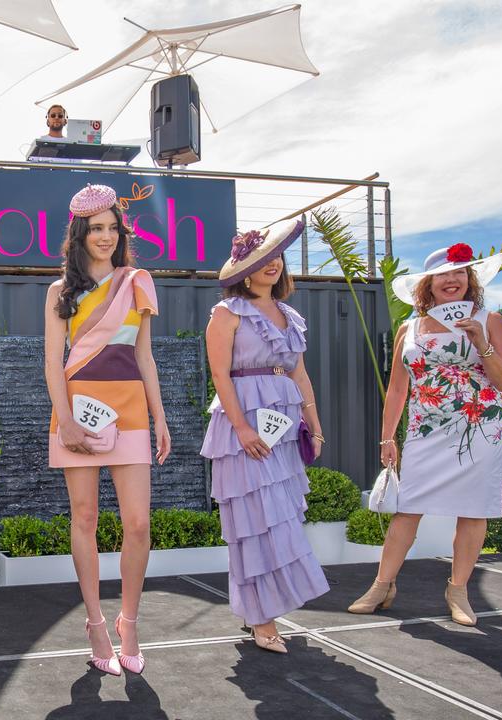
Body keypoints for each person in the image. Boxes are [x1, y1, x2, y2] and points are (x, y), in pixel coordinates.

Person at [349, 244, 502, 626]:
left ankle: (458, 591)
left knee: (473, 512)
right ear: (428, 283)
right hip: (425, 429)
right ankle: (382, 584)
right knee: (407, 509)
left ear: (469, 280)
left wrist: (481, 343)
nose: (452, 279)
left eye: (460, 273)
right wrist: (387, 438)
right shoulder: (410, 327)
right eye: (444, 274)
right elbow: (396, 389)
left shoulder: (490, 320)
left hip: (479, 429)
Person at [44, 184, 171, 676]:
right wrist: (66, 418)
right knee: (85, 517)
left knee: (138, 523)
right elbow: (53, 363)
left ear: (122, 232)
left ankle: (130, 621)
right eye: (95, 228)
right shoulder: (60, 291)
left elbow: (144, 356)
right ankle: (95, 624)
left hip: (131, 408)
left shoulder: (137, 280)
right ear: (79, 234)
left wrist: (160, 417)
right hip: (77, 407)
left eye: (112, 227)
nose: (105, 236)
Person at [201, 220, 329, 653]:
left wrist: (313, 422)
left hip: (285, 425)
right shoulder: (227, 313)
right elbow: (219, 373)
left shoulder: (289, 315)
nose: (272, 264)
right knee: (255, 521)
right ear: (244, 270)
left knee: (282, 517)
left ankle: (265, 609)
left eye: (276, 257)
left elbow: (298, 372)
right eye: (261, 259)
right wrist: (240, 427)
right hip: (245, 426)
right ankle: (260, 618)